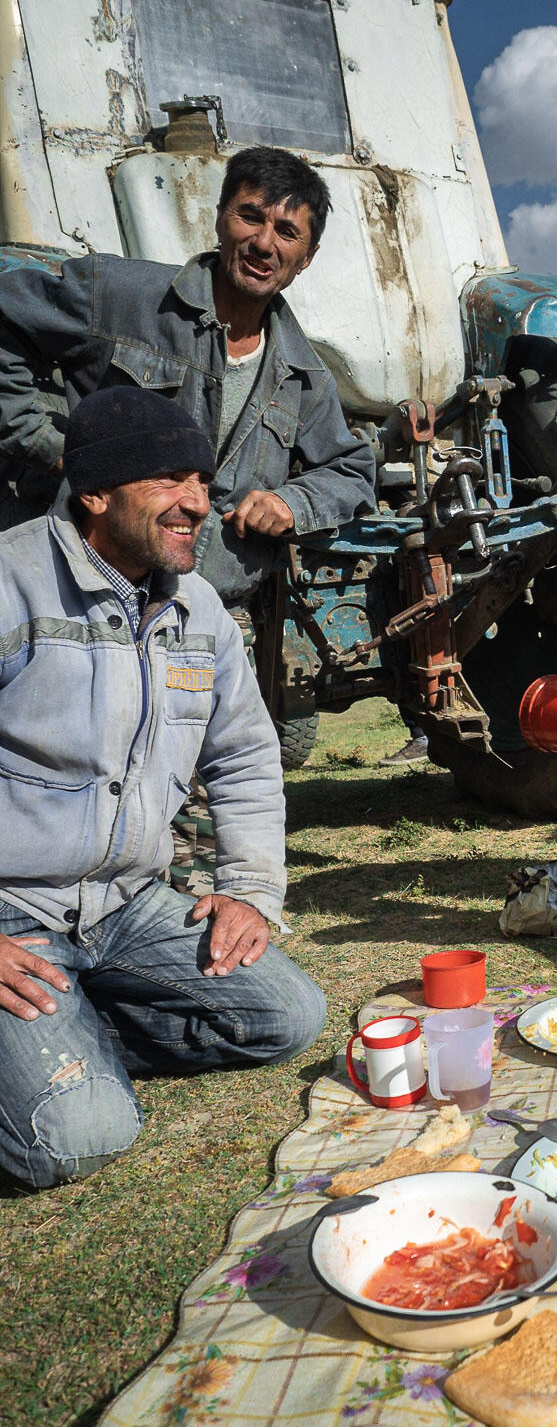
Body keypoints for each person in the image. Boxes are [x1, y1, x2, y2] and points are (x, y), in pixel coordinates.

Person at [0, 386, 327, 1190]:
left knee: (287, 1016)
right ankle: (53, 1072)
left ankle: (68, 1043)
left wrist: (248, 889)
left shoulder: (201, 610)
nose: (198, 505)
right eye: (170, 481)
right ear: (95, 491)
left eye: (204, 483)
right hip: (16, 911)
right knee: (75, 1141)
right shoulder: (10, 582)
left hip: (127, 904)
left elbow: (246, 754)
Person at [0, 143, 377, 603]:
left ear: (307, 256)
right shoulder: (120, 297)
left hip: (211, 615)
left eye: (286, 231)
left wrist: (291, 502)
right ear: (220, 217)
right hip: (80, 594)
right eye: (250, 216)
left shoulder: (303, 374)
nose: (264, 243)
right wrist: (51, 446)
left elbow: (353, 470)